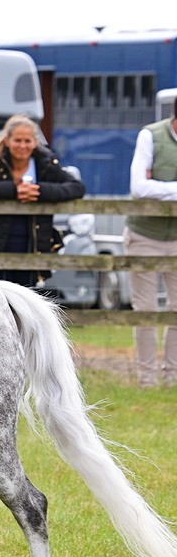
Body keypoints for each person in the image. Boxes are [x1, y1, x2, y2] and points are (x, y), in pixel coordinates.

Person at [0, 115, 85, 287]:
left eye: (27, 141)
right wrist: (13, 190)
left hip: (31, 245)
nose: (22, 146)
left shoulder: (46, 164)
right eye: (18, 140)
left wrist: (39, 191)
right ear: (8, 140)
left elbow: (76, 188)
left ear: (35, 142)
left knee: (25, 301)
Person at [126, 102, 177, 387]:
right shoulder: (150, 135)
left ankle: (172, 378)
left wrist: (160, 187)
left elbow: (150, 187)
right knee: (145, 310)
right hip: (144, 234)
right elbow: (139, 188)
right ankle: (147, 379)